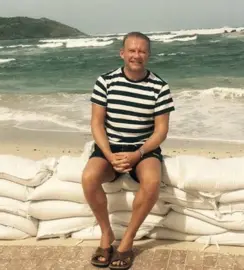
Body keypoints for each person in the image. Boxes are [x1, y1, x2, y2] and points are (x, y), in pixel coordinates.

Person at [81, 31, 175, 269]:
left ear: (149, 55)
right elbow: (96, 123)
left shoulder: (160, 87)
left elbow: (161, 131)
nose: (136, 55)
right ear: (122, 53)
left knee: (152, 182)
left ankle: (128, 241)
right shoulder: (106, 81)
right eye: (132, 50)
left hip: (143, 149)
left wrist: (138, 154)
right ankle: (106, 234)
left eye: (142, 51)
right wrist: (109, 154)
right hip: (109, 147)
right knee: (89, 178)